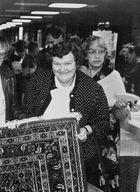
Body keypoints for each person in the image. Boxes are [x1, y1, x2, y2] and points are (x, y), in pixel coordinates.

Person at [23, 40, 110, 187]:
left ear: (77, 63)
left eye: (68, 64)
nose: (62, 69)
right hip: (41, 160)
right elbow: (25, 113)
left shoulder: (92, 89)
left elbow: (103, 123)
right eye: (57, 64)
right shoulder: (38, 82)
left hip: (81, 160)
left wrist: (86, 130)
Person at [80, 35, 128, 191]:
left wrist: (119, 107)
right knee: (83, 179)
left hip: (106, 139)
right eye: (92, 52)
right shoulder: (77, 75)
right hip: (82, 137)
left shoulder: (113, 76)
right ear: (85, 53)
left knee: (107, 180)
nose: (97, 56)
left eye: (101, 52)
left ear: (105, 54)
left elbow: (122, 116)